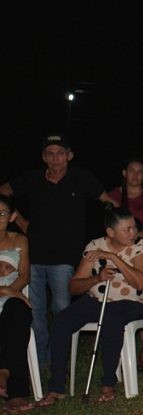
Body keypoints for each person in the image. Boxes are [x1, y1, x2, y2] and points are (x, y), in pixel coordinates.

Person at [0, 134, 117, 367]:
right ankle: (40, 360)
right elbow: (4, 190)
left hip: (64, 258)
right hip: (34, 256)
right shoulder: (32, 178)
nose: (55, 158)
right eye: (50, 153)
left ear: (69, 155)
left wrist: (127, 226)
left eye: (60, 153)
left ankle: (59, 360)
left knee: (62, 309)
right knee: (35, 311)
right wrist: (19, 220)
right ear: (44, 157)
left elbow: (107, 200)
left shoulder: (81, 177)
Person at [39, 207, 143, 406]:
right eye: (127, 229)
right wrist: (97, 278)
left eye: (134, 227)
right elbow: (74, 287)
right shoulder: (94, 246)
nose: (133, 233)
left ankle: (108, 383)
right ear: (110, 232)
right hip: (96, 299)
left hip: (131, 303)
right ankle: (56, 386)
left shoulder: (141, 247)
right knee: (62, 320)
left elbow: (140, 282)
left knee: (112, 319)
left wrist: (114, 258)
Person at [0, 195, 34, 412]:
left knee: (18, 311)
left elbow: (24, 275)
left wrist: (10, 292)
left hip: (12, 296)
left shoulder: (19, 240)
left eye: (2, 213)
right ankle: (5, 372)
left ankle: (14, 388)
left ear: (12, 216)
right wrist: (3, 290)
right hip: (7, 291)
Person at [107, 157, 143, 240]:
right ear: (124, 173)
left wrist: (142, 239)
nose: (135, 175)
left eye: (140, 172)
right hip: (118, 241)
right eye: (131, 170)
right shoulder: (112, 195)